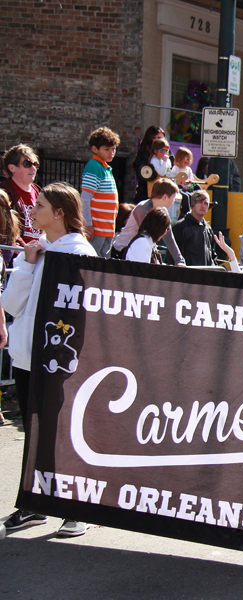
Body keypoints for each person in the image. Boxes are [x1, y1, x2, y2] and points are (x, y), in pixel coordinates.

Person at [1, 183, 97, 538]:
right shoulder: (37, 251)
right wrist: (27, 263)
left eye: (39, 205)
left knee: (59, 436)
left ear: (59, 213)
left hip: (57, 362)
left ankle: (74, 508)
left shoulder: (79, 253)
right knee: (35, 435)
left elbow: (82, 311)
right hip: (27, 358)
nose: (32, 210)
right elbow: (11, 304)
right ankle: (34, 505)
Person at [112, 178, 185, 265]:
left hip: (140, 251)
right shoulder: (142, 209)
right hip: (122, 252)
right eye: (173, 197)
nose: (174, 201)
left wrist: (179, 260)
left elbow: (168, 236)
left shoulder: (162, 211)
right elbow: (148, 234)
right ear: (165, 197)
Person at [80, 126, 121, 257]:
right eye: (107, 149)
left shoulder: (105, 168)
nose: (111, 152)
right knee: (93, 263)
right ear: (95, 149)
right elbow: (85, 198)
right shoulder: (94, 166)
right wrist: (87, 224)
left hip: (107, 228)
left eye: (113, 149)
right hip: (96, 228)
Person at [1, 144, 42, 244]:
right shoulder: (4, 191)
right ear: (12, 168)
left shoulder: (38, 191)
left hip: (39, 251)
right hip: (16, 252)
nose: (33, 168)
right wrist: (22, 248)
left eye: (35, 164)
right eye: (27, 164)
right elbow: (5, 225)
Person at [171, 190, 217, 266]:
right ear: (193, 205)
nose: (203, 206)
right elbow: (173, 257)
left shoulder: (208, 229)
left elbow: (213, 255)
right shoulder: (180, 227)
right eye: (199, 202)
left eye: (206, 203)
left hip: (207, 275)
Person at [133, 126, 165, 202]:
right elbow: (144, 175)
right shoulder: (144, 155)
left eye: (161, 138)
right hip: (146, 195)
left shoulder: (166, 154)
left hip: (163, 193)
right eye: (156, 138)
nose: (159, 141)